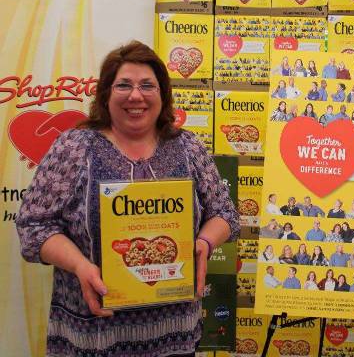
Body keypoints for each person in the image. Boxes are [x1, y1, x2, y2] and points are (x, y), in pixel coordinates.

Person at [15, 41, 244, 356]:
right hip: (93, 335)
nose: (136, 95)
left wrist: (203, 244)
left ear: (162, 95)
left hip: (173, 334)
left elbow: (225, 215)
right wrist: (81, 266)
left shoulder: (188, 147)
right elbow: (33, 227)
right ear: (106, 94)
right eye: (124, 85)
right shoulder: (74, 147)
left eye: (147, 85)